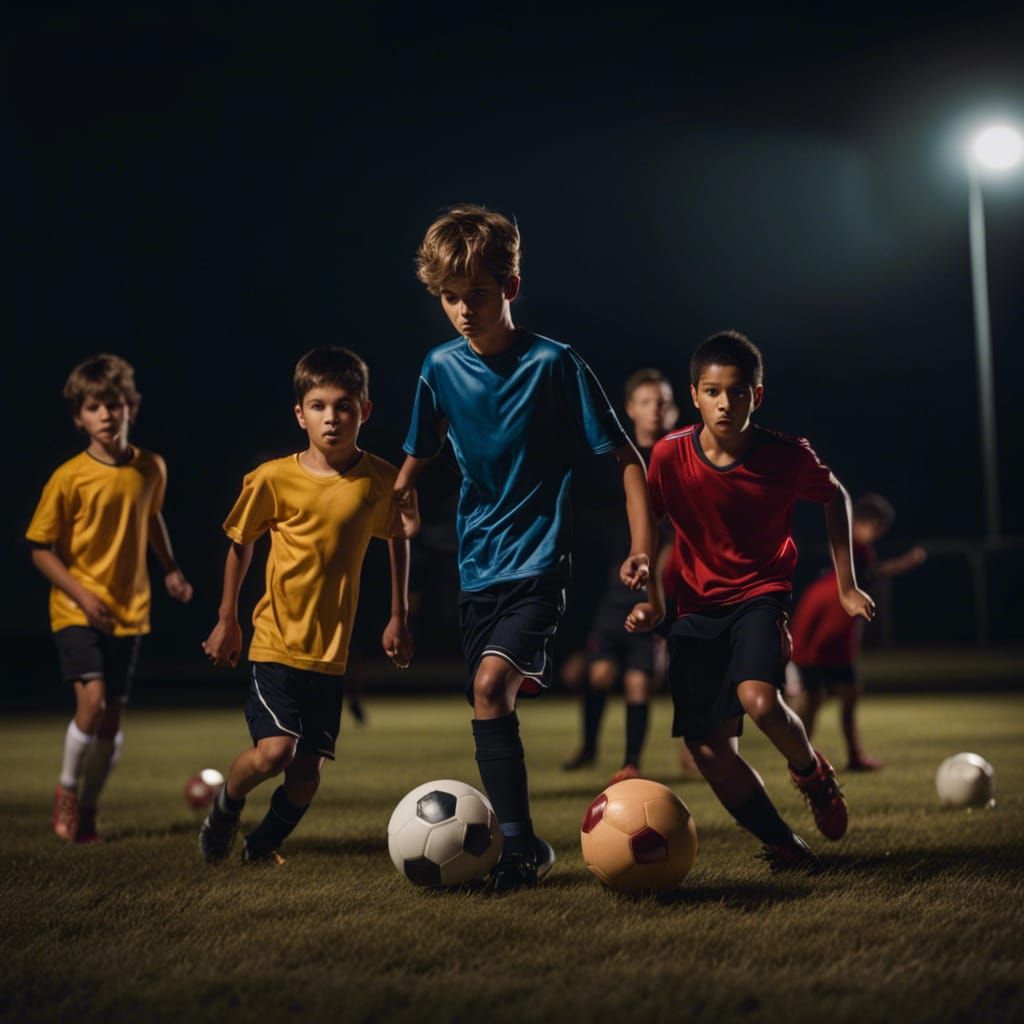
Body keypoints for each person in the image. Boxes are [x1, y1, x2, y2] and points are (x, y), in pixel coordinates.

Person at [395, 205, 656, 893]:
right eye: (450, 297)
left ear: (510, 286)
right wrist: (400, 496)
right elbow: (417, 452)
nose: (461, 309)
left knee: (489, 685)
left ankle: (515, 852)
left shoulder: (555, 364)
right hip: (474, 566)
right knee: (488, 702)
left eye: (476, 294)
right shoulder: (437, 368)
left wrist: (642, 547)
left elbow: (626, 459)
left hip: (539, 563)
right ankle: (526, 845)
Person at [628, 330, 874, 872]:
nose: (724, 402)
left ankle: (812, 774)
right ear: (694, 395)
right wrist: (648, 587)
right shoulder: (669, 456)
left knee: (760, 699)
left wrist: (846, 583)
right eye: (712, 391)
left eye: (737, 392)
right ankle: (783, 843)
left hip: (760, 596)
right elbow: (653, 527)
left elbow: (836, 497)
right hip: (695, 610)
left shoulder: (786, 456)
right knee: (710, 749)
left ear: (756, 396)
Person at [199, 347, 418, 865]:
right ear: (300, 414)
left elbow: (398, 537)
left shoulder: (381, 480)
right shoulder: (273, 478)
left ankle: (262, 846)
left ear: (365, 411)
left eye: (344, 405)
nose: (331, 417)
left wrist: (399, 616)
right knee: (276, 754)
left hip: (330, 653)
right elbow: (240, 541)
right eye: (318, 405)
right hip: (275, 642)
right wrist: (227, 618)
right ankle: (226, 807)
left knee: (306, 777)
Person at [27, 354, 193, 843]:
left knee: (112, 720)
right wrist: (80, 594)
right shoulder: (68, 478)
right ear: (79, 416)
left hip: (129, 609)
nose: (105, 415)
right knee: (93, 703)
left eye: (113, 405)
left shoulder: (150, 468)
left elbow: (152, 517)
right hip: (76, 608)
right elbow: (40, 549)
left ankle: (90, 808)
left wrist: (171, 570)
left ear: (131, 409)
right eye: (94, 407)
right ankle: (66, 792)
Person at [562, 369, 678, 783]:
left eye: (662, 401)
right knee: (598, 674)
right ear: (629, 409)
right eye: (646, 401)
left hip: (656, 595)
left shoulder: (679, 464)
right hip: (614, 596)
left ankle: (631, 762)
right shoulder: (614, 464)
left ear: (674, 409)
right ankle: (589, 746)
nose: (654, 410)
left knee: (638, 683)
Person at [790, 494, 926, 771]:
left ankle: (816, 757)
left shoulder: (857, 549)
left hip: (821, 620)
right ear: (869, 523)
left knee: (830, 695)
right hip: (825, 624)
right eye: (880, 528)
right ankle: (805, 758)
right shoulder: (851, 544)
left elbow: (871, 574)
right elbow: (866, 575)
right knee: (824, 695)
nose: (879, 534)